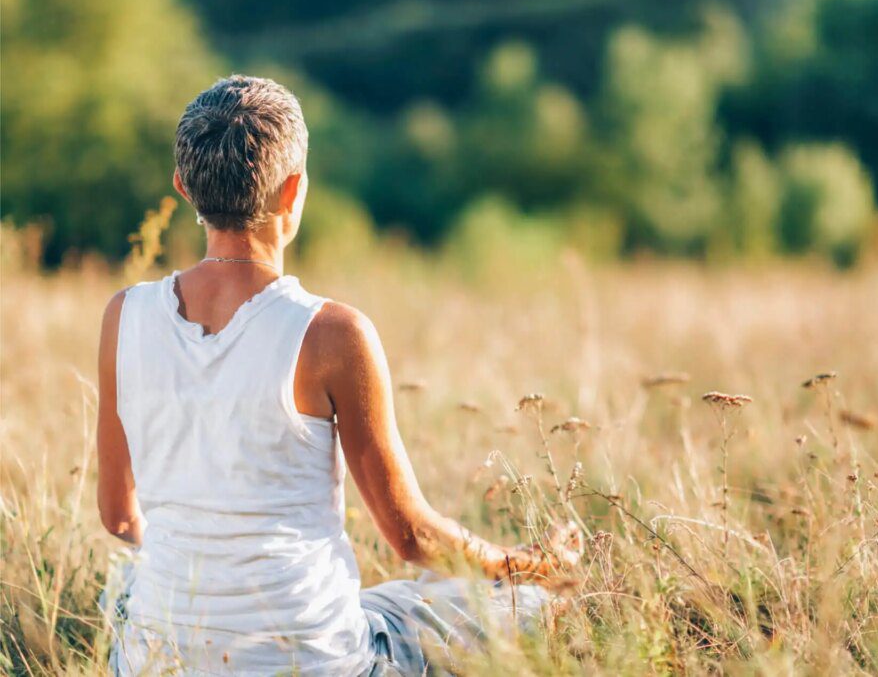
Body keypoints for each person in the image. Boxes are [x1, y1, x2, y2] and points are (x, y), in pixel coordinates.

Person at [96, 75, 582, 676]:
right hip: (317, 663)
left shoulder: (125, 316)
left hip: (160, 663)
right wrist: (531, 565)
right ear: (293, 190)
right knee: (525, 605)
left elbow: (119, 516)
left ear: (183, 187)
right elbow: (412, 540)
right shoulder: (332, 333)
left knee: (122, 589)